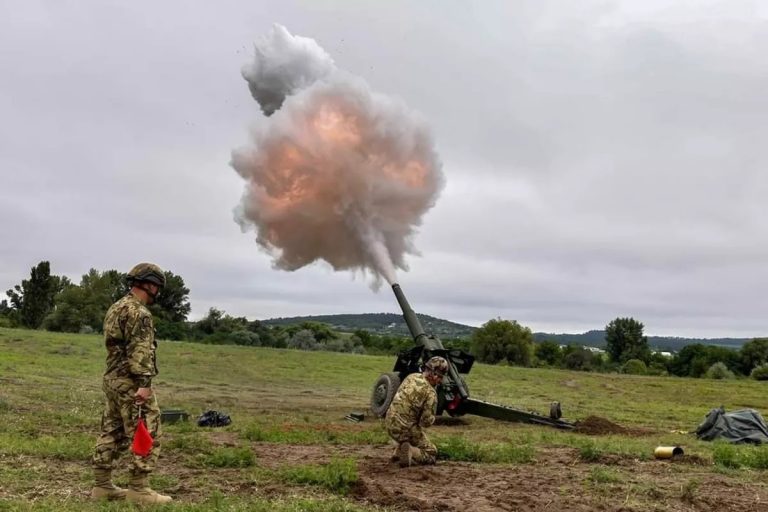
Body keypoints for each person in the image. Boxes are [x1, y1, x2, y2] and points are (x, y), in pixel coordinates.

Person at [90, 263, 172, 504]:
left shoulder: (116, 307)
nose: (157, 291)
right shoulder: (140, 313)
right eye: (156, 286)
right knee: (147, 428)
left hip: (112, 380)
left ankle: (102, 485)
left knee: (112, 430)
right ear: (149, 284)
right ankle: (139, 489)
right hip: (131, 383)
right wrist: (144, 383)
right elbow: (140, 351)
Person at [384, 356, 449, 467]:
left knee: (408, 426)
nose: (441, 380)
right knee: (431, 452)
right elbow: (425, 422)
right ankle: (411, 451)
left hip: (389, 422)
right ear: (434, 374)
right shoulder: (430, 393)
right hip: (405, 429)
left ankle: (398, 451)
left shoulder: (411, 377)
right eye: (440, 377)